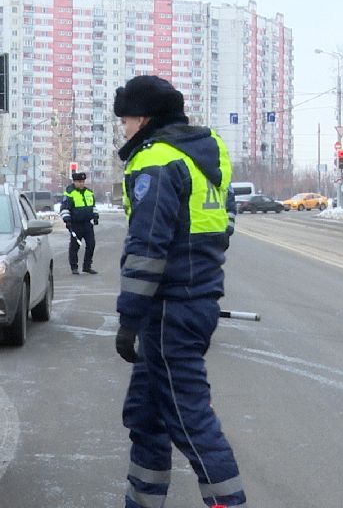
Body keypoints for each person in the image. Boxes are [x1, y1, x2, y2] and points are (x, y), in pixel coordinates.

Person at [112, 75, 246, 507]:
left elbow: (147, 250)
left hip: (168, 311)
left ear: (145, 118)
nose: (124, 129)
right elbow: (222, 228)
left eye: (127, 120)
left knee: (190, 421)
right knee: (145, 416)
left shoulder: (157, 161)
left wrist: (129, 318)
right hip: (191, 302)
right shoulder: (205, 155)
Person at [60, 171, 100, 275]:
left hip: (87, 224)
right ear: (74, 182)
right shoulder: (69, 193)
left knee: (91, 244)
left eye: (82, 181)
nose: (81, 183)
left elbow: (93, 207)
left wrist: (95, 216)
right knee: (74, 246)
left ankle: (87, 266)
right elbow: (64, 208)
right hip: (75, 224)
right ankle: (74, 267)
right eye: (79, 181)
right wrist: (67, 220)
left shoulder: (89, 193)